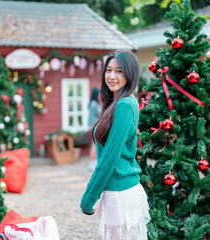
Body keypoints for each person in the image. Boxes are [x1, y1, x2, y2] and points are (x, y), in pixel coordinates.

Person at [80, 50, 150, 240]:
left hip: (121, 194)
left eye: (119, 71)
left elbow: (109, 158)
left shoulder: (125, 105)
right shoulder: (116, 103)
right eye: (109, 70)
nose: (111, 76)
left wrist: (89, 196)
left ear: (130, 74)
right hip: (119, 192)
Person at [88, 87, 101, 171]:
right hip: (93, 127)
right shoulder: (94, 104)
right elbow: (101, 113)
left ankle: (93, 162)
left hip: (92, 126)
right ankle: (92, 163)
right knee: (94, 145)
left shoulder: (92, 103)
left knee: (94, 145)